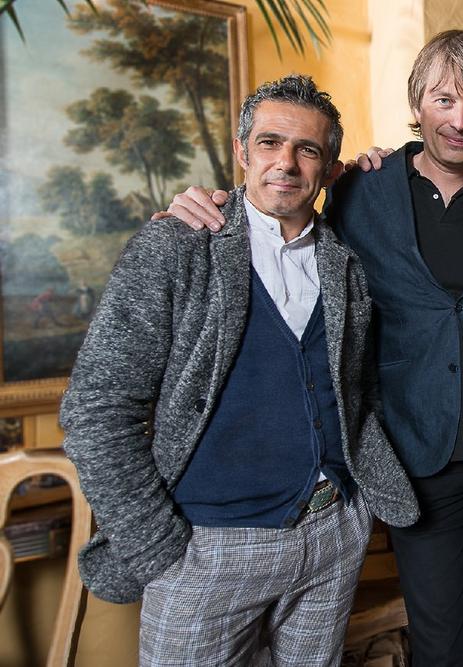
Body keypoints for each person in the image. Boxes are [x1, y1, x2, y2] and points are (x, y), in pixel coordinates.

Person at [161, 32, 463, 667]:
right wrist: (205, 202)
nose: (459, 120)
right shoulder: (360, 191)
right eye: (443, 100)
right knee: (442, 640)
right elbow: (278, 205)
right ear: (416, 104)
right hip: (416, 453)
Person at [60, 75, 418, 666]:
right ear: (242, 152)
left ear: (330, 169)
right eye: (270, 142)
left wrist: (357, 510)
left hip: (331, 536)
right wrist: (160, 546)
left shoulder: (345, 261)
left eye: (308, 149)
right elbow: (96, 410)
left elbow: (359, 392)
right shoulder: (177, 245)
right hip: (206, 550)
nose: (286, 163)